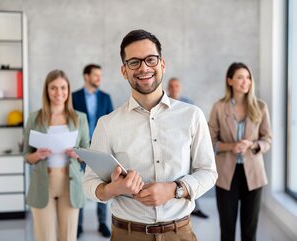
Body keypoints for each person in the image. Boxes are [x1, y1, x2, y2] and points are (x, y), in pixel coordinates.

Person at [83, 29, 217, 241]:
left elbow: (208, 172)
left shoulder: (192, 115)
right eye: (134, 62)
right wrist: (111, 189)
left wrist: (175, 189)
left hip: (179, 233)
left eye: (151, 60)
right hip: (127, 234)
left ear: (162, 64)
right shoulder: (107, 124)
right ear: (124, 70)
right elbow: (89, 183)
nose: (144, 67)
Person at [23, 70, 90, 241]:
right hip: (43, 183)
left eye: (63, 88)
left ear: (68, 90)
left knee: (68, 237)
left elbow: (87, 154)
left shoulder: (80, 118)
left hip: (71, 184)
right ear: (46, 90)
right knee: (46, 238)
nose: (59, 93)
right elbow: (27, 157)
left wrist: (78, 154)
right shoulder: (34, 118)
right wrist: (37, 155)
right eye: (53, 88)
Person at [208, 62, 272, 241]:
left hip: (254, 174)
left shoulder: (260, 107)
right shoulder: (219, 107)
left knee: (249, 230)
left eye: (248, 77)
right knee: (227, 229)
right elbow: (209, 142)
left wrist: (251, 144)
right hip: (227, 174)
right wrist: (231, 147)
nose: (245, 82)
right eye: (240, 77)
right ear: (230, 81)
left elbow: (267, 140)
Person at [72, 64, 113, 238]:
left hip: (100, 148)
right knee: (79, 186)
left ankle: (102, 222)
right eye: (96, 75)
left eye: (100, 76)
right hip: (80, 148)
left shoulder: (105, 97)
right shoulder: (73, 97)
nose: (99, 79)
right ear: (86, 76)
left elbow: (112, 123)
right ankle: (78, 225)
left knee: (103, 184)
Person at [167, 77, 209, 219]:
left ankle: (195, 207)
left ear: (180, 87)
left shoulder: (189, 104)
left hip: (189, 145)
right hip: (172, 147)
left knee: (194, 175)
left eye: (177, 86)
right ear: (168, 88)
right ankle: (178, 209)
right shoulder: (163, 104)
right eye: (171, 86)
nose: (174, 88)